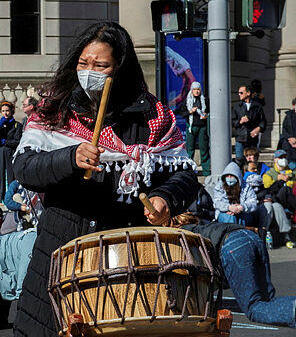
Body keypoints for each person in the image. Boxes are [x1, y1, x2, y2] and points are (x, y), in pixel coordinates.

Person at [11, 22, 199, 336]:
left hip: (123, 255)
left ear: (120, 68)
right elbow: (26, 167)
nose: (90, 72)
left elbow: (183, 172)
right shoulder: (55, 108)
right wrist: (70, 157)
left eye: (101, 65)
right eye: (84, 63)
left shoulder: (152, 115)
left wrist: (165, 197)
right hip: (60, 247)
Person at [170, 213, 296, 328]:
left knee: (254, 308)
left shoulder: (183, 235)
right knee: (266, 301)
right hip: (251, 237)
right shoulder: (204, 226)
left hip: (234, 246)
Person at [0, 101, 23, 200]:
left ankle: (11, 197)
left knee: (11, 176)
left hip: (10, 153)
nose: (5, 113)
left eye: (7, 111)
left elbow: (17, 141)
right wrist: (0, 125)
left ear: (11, 111)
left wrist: (5, 142)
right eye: (3, 111)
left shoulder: (17, 125)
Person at [213, 161, 258, 226]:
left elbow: (253, 203)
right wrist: (229, 207)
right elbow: (217, 202)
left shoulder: (246, 187)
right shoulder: (219, 186)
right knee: (230, 218)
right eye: (227, 176)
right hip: (225, 213)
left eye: (232, 176)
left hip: (242, 212)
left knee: (243, 218)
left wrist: (242, 207)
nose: (229, 178)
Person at [231, 84, 266, 159]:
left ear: (248, 93)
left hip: (252, 138)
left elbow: (263, 121)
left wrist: (258, 128)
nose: (239, 94)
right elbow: (232, 122)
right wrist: (240, 121)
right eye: (238, 93)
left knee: (252, 160)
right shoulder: (237, 106)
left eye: (241, 93)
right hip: (240, 138)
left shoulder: (257, 106)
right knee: (239, 160)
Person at [183, 82, 210, 176]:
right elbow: (182, 113)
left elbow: (209, 112)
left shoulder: (204, 100)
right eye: (194, 89)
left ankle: (206, 172)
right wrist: (190, 111)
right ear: (191, 90)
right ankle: (188, 172)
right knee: (190, 149)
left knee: (204, 149)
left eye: (198, 89)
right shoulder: (187, 100)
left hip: (202, 127)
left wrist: (206, 116)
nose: (197, 91)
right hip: (191, 127)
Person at [279, 98, 296, 169]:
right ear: (294, 105)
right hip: (289, 146)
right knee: (291, 166)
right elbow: (284, 130)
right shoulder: (288, 116)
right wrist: (290, 139)